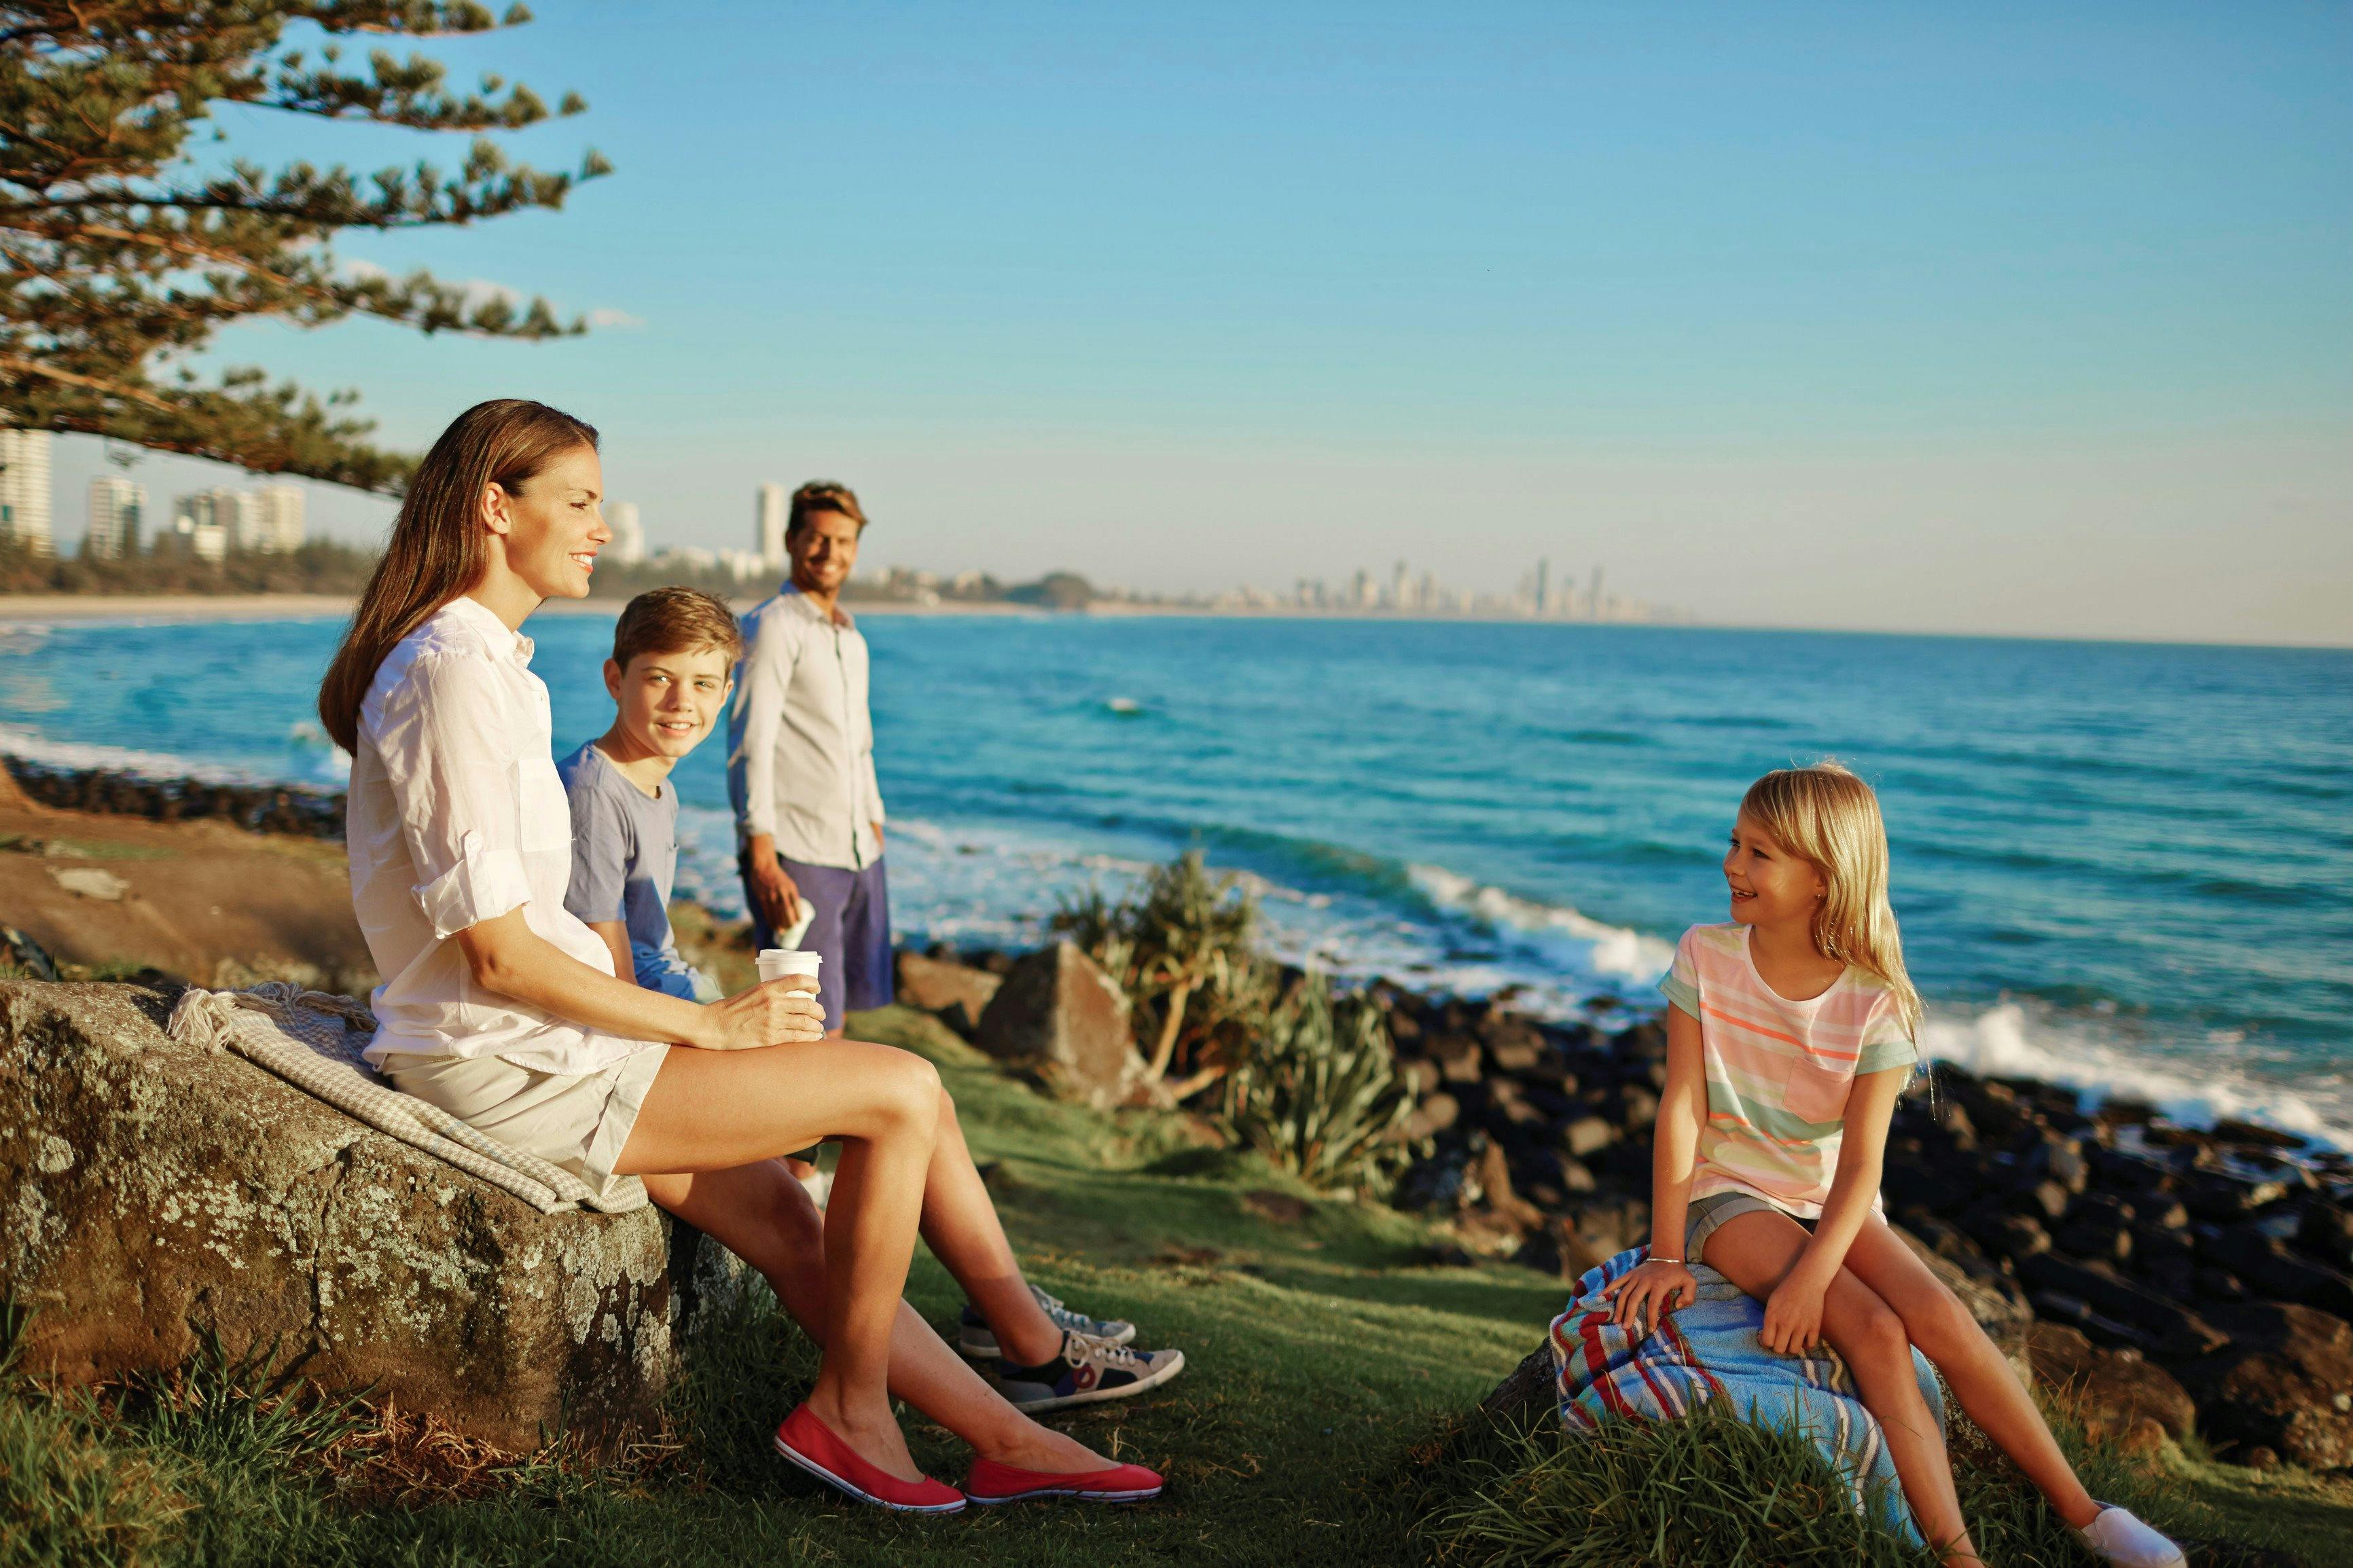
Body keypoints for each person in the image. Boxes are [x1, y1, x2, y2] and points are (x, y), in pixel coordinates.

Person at [317, 400, 1163, 1512]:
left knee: (787, 1215)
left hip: (550, 1042)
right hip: (515, 1059)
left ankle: (1009, 1432)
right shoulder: (452, 672)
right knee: (901, 1090)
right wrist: (707, 1024)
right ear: (492, 505)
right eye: (577, 501)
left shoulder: (493, 667)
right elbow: (495, 957)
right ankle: (852, 1414)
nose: (599, 528)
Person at [559, 585, 1186, 1413]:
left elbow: (648, 951)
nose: (683, 703)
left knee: (919, 1100)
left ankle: (1016, 1326)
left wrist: (731, 1008)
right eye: (659, 678)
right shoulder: (594, 791)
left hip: (675, 1031)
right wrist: (723, 1028)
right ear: (614, 677)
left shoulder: (653, 785)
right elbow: (608, 983)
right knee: (905, 1089)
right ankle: (1024, 1341)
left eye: (706, 683)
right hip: (641, 1062)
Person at [1601, 763, 2184, 1568]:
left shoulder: (1874, 1000)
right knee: (1874, 1330)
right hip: (1724, 1193)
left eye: (1759, 852)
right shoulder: (1705, 954)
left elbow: (1859, 1165)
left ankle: (2084, 1512)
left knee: (1943, 1319)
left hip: (1827, 1198)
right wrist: (1668, 1253)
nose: (1731, 863)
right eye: (1734, 842)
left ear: (1822, 877)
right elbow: (1680, 1108)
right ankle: (1957, 1556)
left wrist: (1812, 1272)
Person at [726, 481, 890, 1038]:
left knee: (840, 1021)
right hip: (797, 852)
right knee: (806, 1029)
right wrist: (762, 853)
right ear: (791, 540)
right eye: (817, 538)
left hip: (857, 849)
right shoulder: (772, 626)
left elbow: (858, 741)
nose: (829, 552)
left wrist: (874, 818)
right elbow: (751, 742)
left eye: (843, 540)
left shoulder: (851, 637)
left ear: (856, 548)